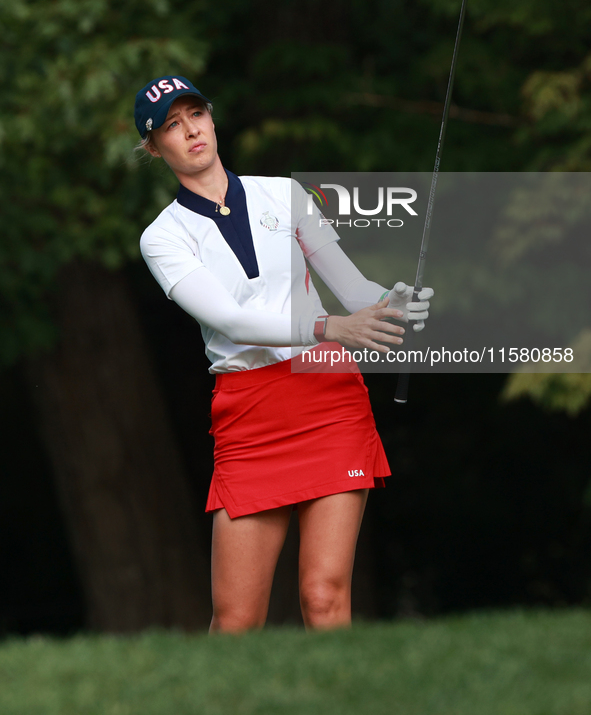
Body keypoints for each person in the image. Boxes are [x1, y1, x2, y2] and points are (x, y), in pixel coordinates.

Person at [135, 76, 433, 633]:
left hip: (329, 399)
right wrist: (329, 327)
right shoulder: (163, 236)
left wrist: (392, 303)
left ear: (212, 118)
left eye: (195, 114)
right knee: (236, 619)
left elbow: (355, 290)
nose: (190, 130)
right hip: (250, 412)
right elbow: (230, 319)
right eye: (171, 126)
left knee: (324, 597)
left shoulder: (286, 194)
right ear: (155, 148)